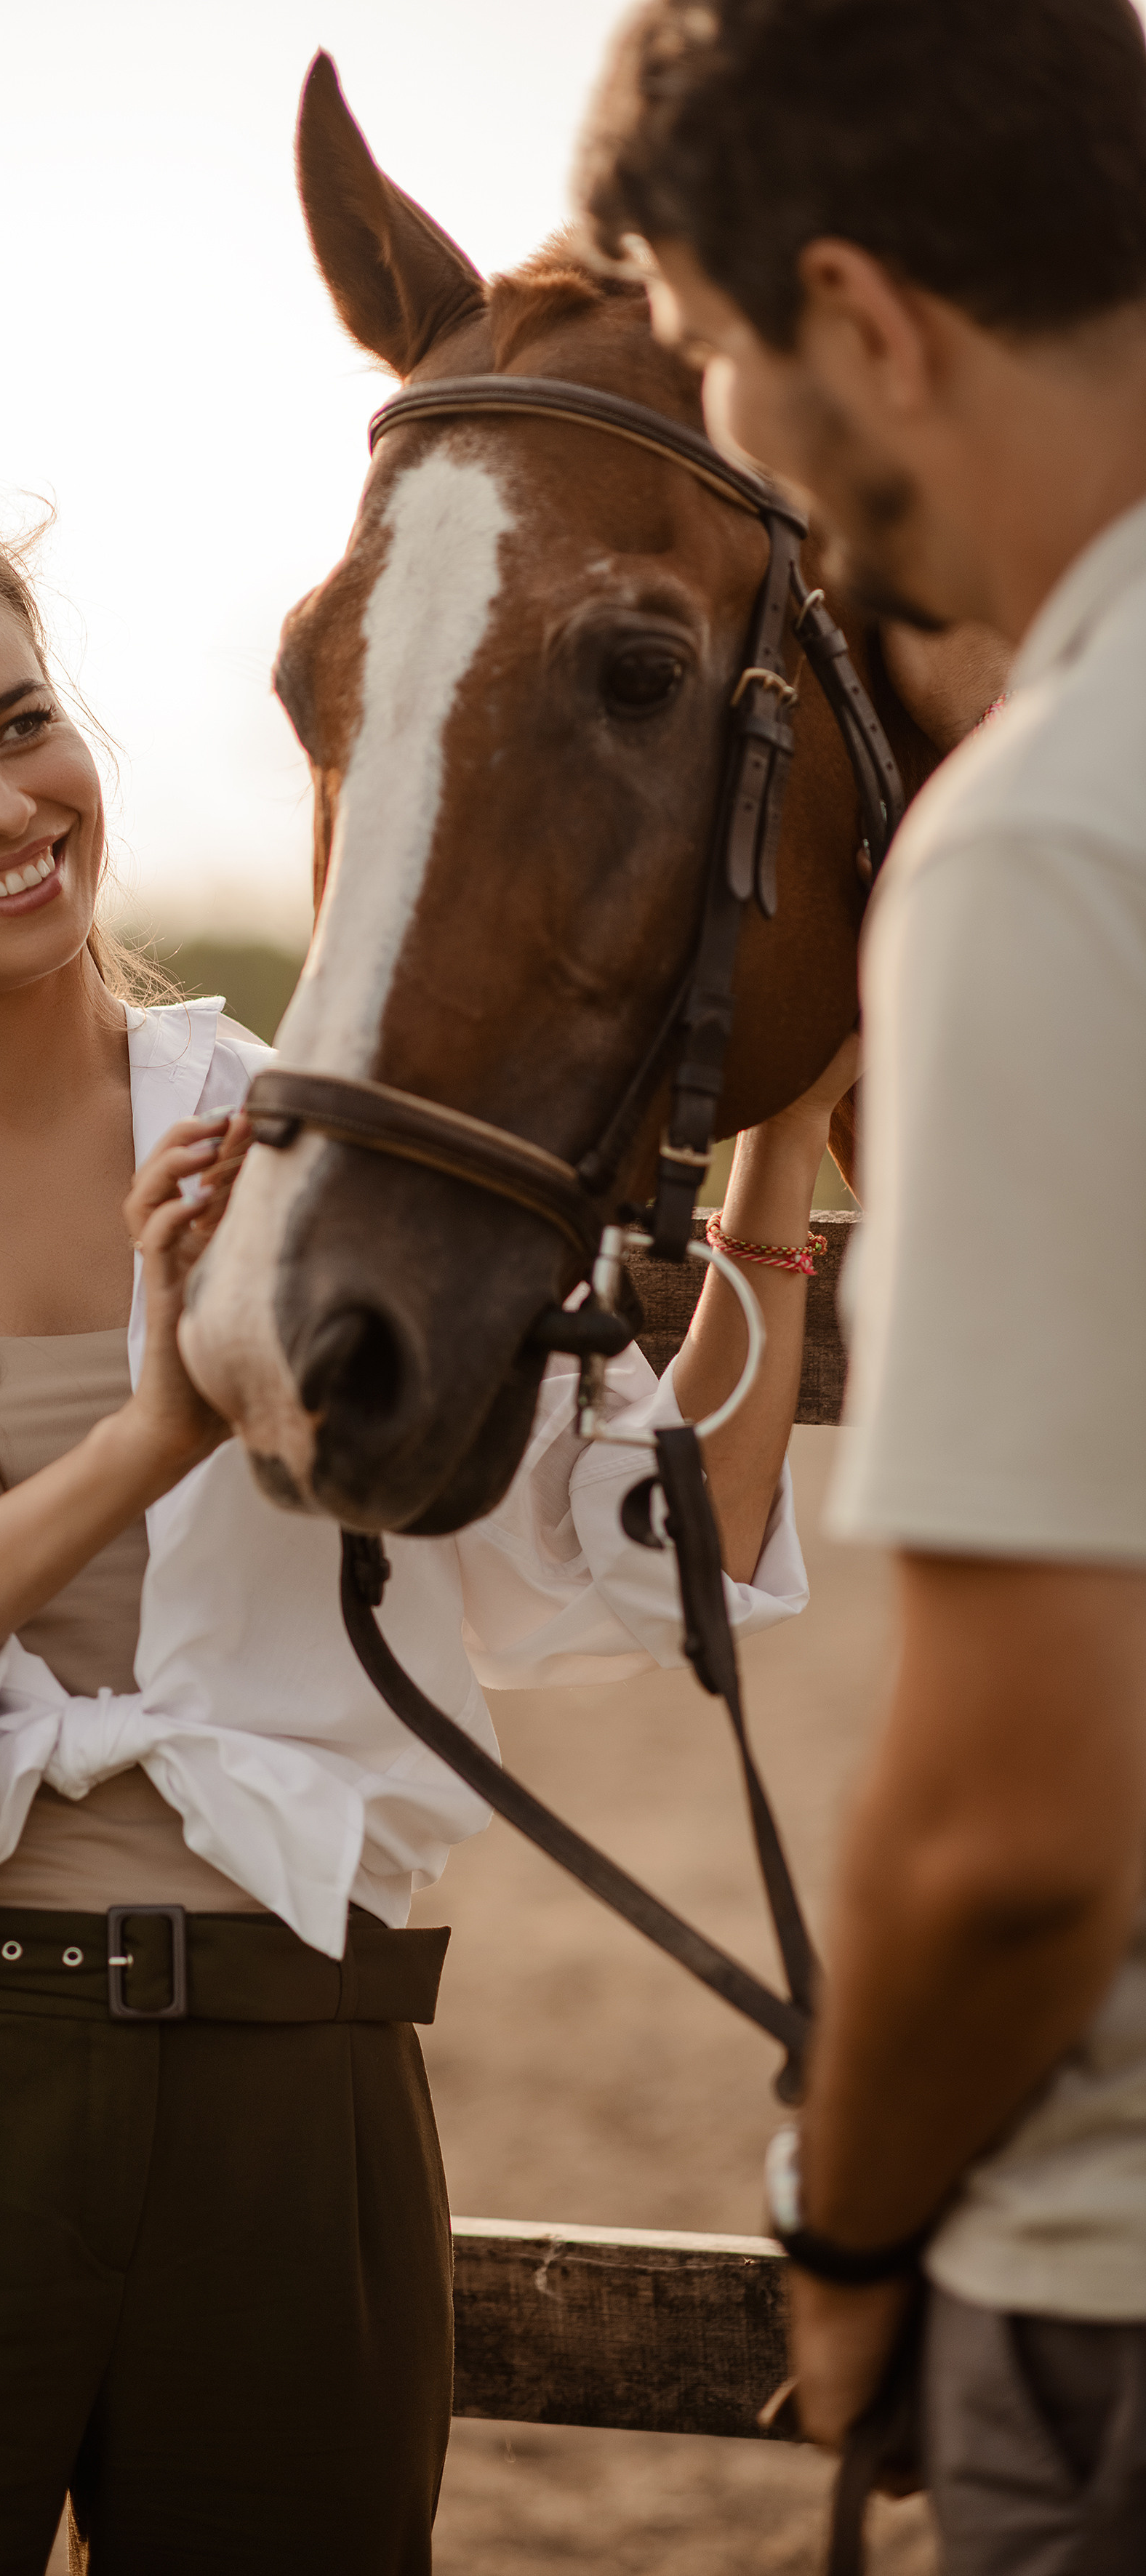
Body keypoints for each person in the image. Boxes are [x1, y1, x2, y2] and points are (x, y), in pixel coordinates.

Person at [0, 499, 839, 2574]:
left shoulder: (302, 1158)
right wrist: (158, 1432)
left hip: (304, 2082)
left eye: (21, 724)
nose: (2, 805)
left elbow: (670, 1547)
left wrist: (774, 1165)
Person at [578, 1, 1146, 2563]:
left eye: (716, 360)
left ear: (867, 319)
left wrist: (847, 2214)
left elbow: (1019, 1821)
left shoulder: (1050, 839)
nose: (749, 452)